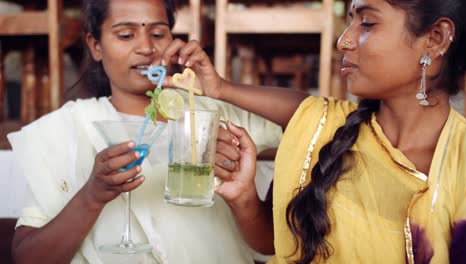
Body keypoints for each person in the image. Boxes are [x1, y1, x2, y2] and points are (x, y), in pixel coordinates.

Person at [164, 0, 466, 263]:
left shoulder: (461, 161)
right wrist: (244, 198)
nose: (343, 41)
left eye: (368, 23)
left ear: (435, 39)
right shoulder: (321, 129)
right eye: (351, 21)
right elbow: (274, 244)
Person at [7, 0, 282, 263]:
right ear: (95, 46)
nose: (146, 47)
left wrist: (223, 88)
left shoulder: (213, 113)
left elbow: (319, 115)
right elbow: (28, 258)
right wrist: (91, 196)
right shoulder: (67, 128)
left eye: (158, 33)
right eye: (126, 35)